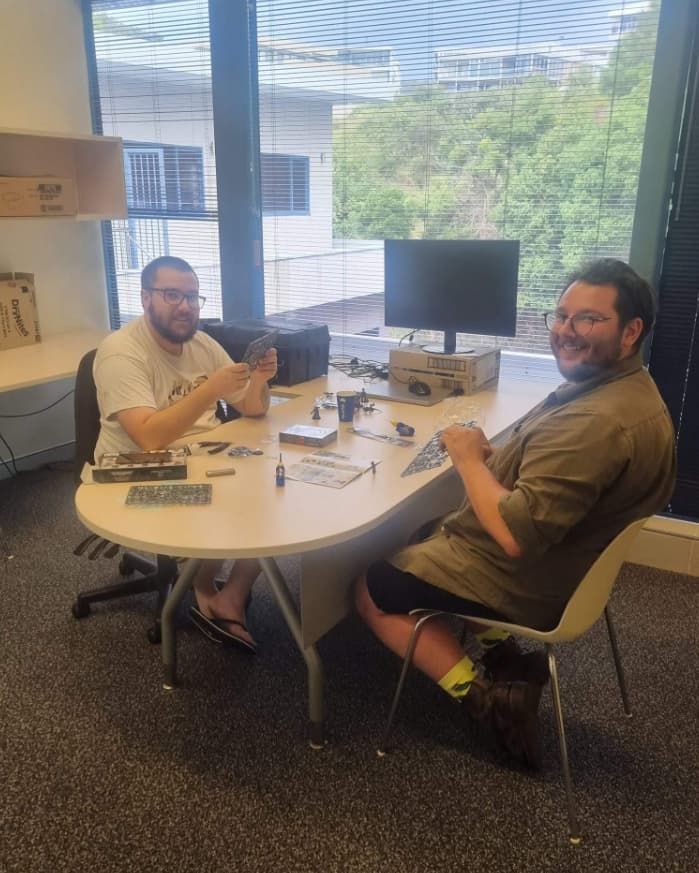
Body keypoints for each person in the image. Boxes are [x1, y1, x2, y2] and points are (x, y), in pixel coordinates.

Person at [355, 257, 676, 768]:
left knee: (373, 587)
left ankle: (485, 701)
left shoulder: (597, 422)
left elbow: (513, 536)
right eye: (562, 316)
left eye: (589, 320)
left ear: (631, 331)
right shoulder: (628, 391)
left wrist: (464, 460)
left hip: (531, 578)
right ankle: (507, 659)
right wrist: (494, 459)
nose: (567, 332)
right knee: (425, 529)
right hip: (569, 560)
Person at [93, 255, 278, 652]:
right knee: (233, 507)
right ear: (146, 298)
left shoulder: (200, 343)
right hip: (137, 471)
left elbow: (253, 406)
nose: (185, 306)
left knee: (274, 500)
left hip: (201, 458)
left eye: (193, 296)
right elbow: (148, 438)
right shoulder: (120, 353)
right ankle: (204, 586)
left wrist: (260, 379)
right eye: (172, 295)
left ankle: (227, 594)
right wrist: (210, 390)